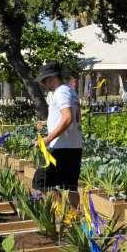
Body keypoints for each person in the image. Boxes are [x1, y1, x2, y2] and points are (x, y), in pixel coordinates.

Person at [36, 62, 83, 190]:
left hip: (61, 148)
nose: (44, 85)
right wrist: (47, 122)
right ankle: (72, 211)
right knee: (69, 187)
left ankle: (54, 210)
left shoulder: (61, 92)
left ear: (51, 78)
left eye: (44, 81)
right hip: (74, 146)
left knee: (40, 182)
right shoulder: (70, 91)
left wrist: (47, 139)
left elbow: (68, 118)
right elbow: (75, 118)